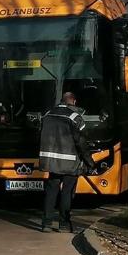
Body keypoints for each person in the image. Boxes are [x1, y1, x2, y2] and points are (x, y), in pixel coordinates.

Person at [38, 92, 96, 233]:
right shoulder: (74, 117)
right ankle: (64, 224)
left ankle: (46, 223)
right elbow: (81, 142)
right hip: (70, 162)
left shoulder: (47, 115)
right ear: (74, 102)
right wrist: (90, 162)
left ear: (61, 101)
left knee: (51, 191)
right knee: (66, 192)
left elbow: (39, 135)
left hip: (51, 161)